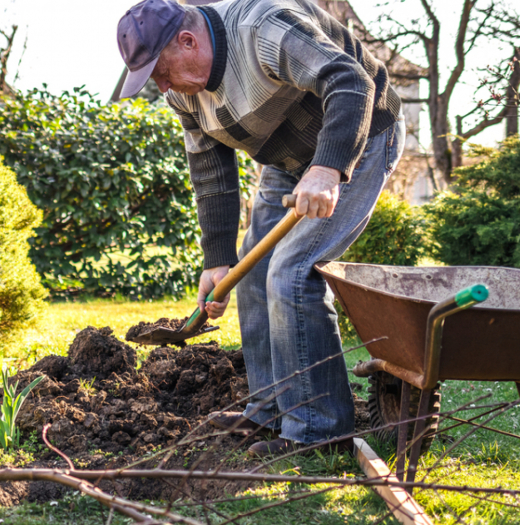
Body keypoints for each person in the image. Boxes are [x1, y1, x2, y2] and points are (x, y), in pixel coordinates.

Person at [116, 0, 405, 457]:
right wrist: (216, 260)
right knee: (252, 274)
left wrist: (328, 168)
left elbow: (350, 81)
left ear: (188, 41)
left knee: (292, 273)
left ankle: (319, 433)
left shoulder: (262, 28)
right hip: (289, 159)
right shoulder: (183, 94)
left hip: (361, 135)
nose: (161, 85)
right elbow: (210, 170)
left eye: (160, 71)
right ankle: (270, 412)